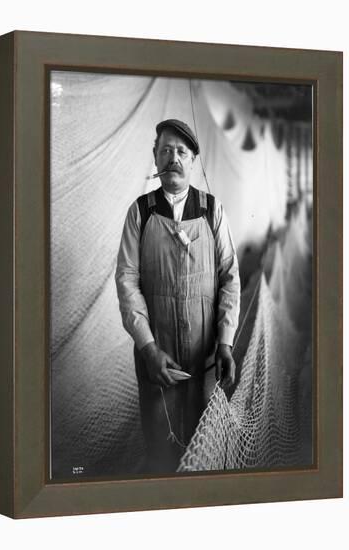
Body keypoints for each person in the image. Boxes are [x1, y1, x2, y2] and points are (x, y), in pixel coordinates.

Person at [115, 119, 240, 473]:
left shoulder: (211, 210)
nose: (174, 158)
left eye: (181, 152)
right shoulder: (140, 212)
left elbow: (230, 277)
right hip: (158, 360)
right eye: (166, 151)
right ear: (155, 159)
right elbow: (126, 281)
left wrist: (226, 343)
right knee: (161, 451)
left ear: (193, 161)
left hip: (206, 358)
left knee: (206, 447)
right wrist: (149, 349)